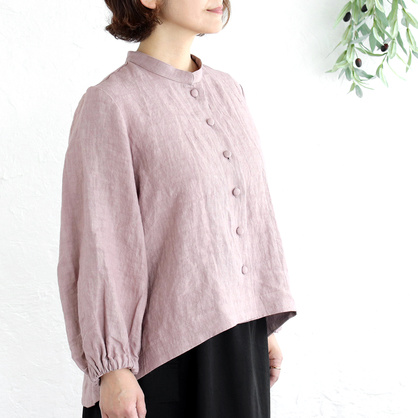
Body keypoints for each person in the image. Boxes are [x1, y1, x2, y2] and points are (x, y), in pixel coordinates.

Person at [57, 0, 297, 417]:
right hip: (162, 363)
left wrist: (258, 319)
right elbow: (102, 244)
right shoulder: (111, 103)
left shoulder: (228, 90)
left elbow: (244, 216)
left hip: (240, 347)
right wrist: (113, 368)